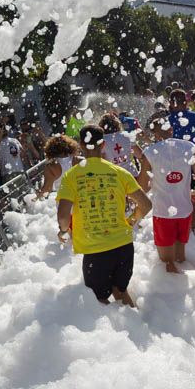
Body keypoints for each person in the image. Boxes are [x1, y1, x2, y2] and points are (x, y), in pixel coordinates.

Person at [57, 125, 152, 306]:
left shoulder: (71, 176)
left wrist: (63, 231)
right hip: (124, 246)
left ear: (80, 146)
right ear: (103, 145)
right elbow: (146, 205)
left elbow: (62, 217)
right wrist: (131, 220)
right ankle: (138, 331)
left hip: (95, 250)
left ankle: (117, 334)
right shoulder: (119, 172)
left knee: (98, 302)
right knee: (120, 292)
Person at [139, 115, 195, 274]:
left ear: (154, 135)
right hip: (184, 211)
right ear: (171, 129)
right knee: (180, 259)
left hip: (163, 213)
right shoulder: (189, 147)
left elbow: (142, 186)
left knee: (166, 264)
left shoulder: (151, 152)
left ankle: (172, 293)